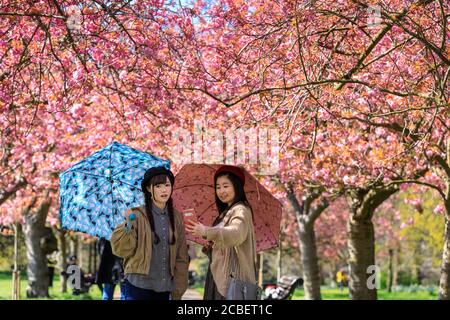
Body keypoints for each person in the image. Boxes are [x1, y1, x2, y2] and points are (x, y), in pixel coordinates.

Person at [111, 166, 189, 300]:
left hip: (164, 287)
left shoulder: (177, 217)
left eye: (167, 185)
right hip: (138, 286)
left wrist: (179, 287)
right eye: (158, 186)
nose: (164, 190)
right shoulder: (137, 215)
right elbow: (121, 250)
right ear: (148, 189)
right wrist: (128, 224)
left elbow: (181, 256)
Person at [186, 165, 257, 300]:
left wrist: (206, 231)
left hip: (232, 280)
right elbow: (224, 244)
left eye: (226, 186)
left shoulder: (241, 210)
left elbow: (236, 234)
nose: (221, 191)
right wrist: (210, 245)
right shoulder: (226, 213)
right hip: (219, 276)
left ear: (236, 186)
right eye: (218, 187)